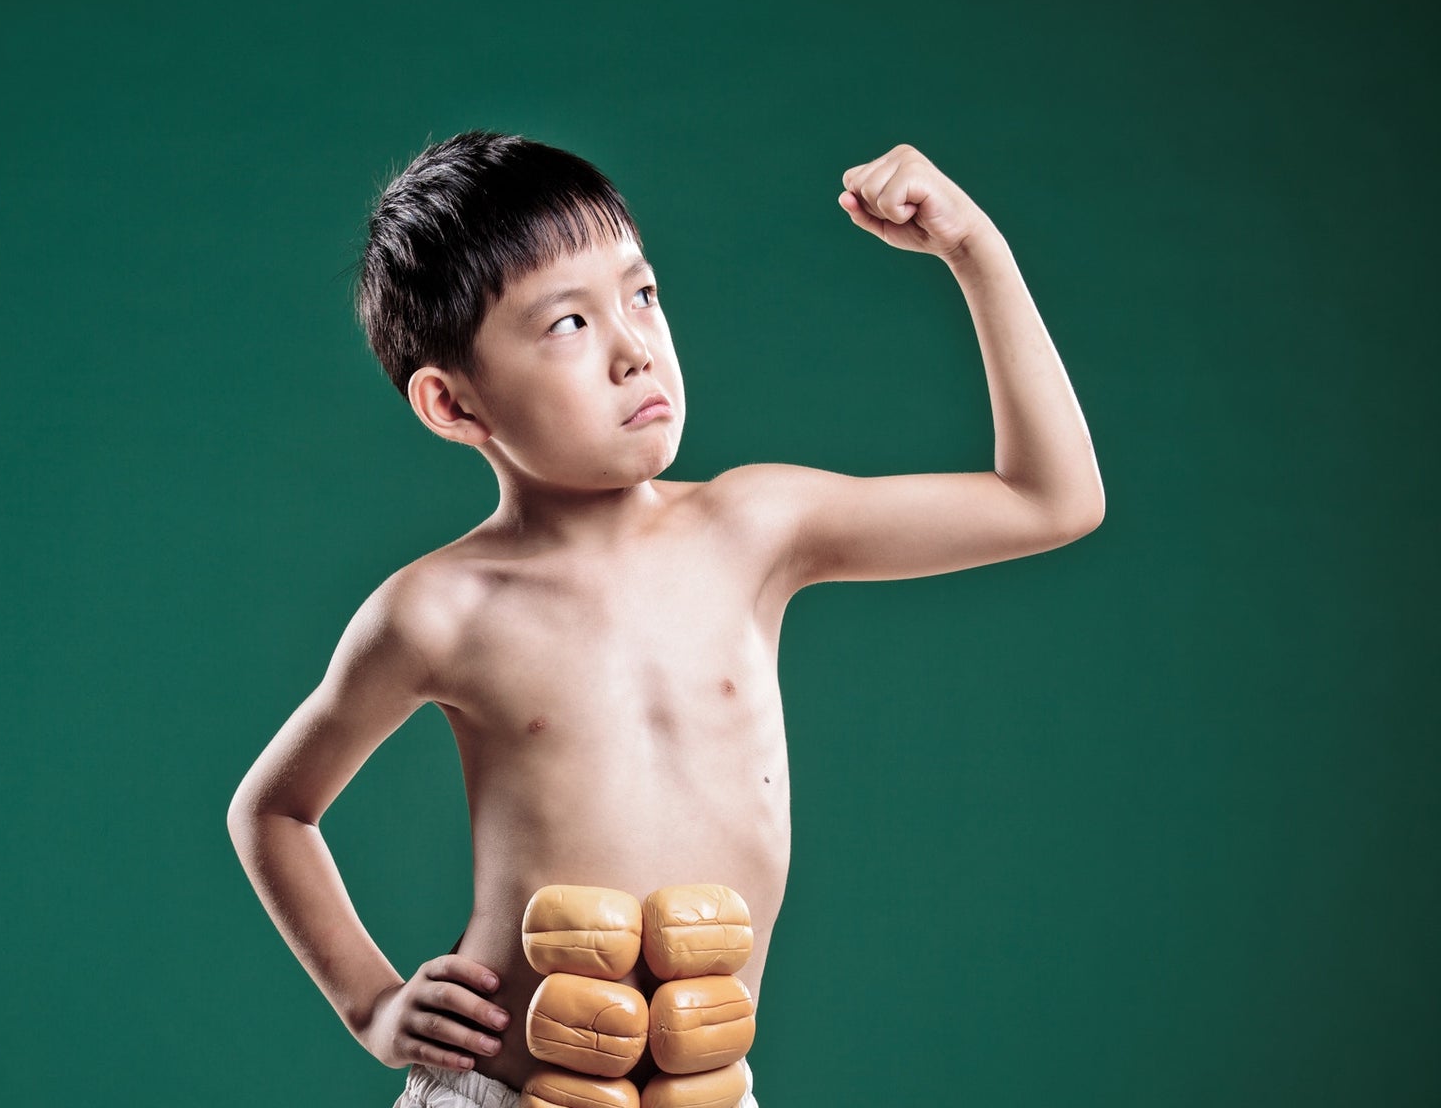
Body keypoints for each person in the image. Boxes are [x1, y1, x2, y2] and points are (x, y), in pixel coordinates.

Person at [225, 130, 1105, 1107]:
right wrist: (373, 1004)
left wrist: (972, 249)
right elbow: (272, 809)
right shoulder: (437, 608)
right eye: (566, 324)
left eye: (639, 295)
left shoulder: (754, 529)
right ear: (451, 402)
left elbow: (1048, 500)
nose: (633, 349)